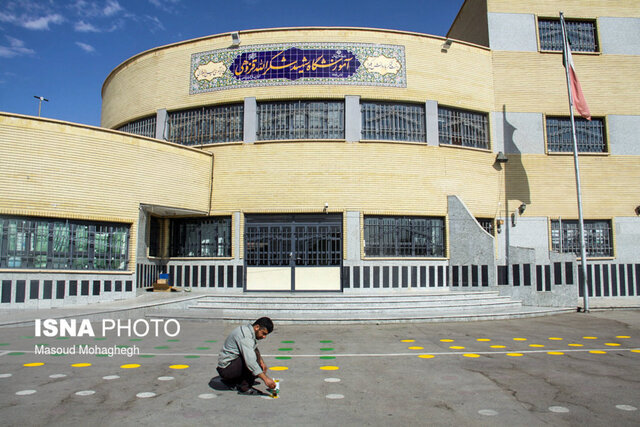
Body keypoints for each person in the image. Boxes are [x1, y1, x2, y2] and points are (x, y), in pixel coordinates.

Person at [217, 317, 277, 394]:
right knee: (253, 361)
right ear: (257, 327)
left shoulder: (248, 330)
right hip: (226, 369)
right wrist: (266, 379)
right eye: (263, 333)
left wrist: (262, 362)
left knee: (257, 361)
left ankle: (234, 381)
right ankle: (245, 388)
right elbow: (250, 361)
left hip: (229, 365)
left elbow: (254, 348)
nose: (264, 337)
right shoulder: (245, 336)